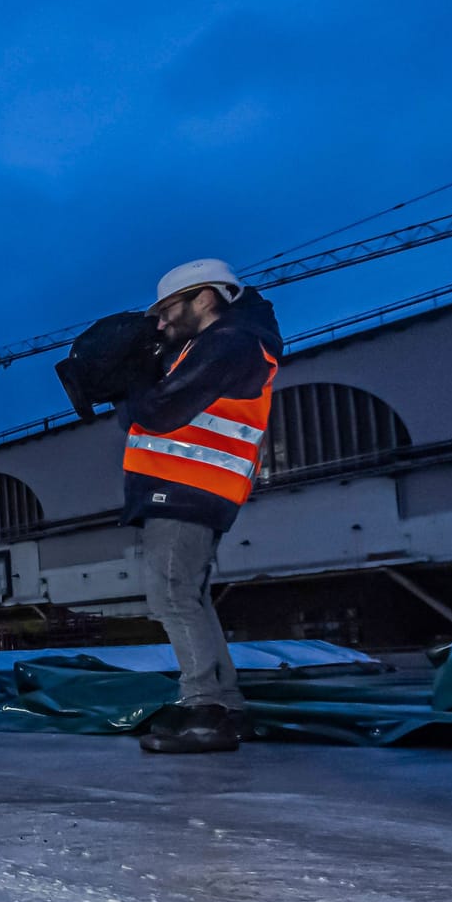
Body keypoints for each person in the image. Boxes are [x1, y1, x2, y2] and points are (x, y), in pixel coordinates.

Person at [118, 258, 282, 754]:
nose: (162, 323)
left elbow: (158, 411)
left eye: (169, 310)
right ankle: (228, 707)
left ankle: (203, 711)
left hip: (186, 491)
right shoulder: (218, 346)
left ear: (205, 297)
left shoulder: (228, 344)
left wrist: (131, 378)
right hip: (195, 491)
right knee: (190, 597)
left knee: (170, 596)